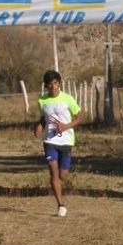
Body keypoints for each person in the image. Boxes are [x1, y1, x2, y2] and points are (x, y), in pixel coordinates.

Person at [33, 70, 84, 217]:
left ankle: (60, 187)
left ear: (59, 83)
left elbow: (80, 116)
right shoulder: (42, 101)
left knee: (63, 176)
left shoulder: (67, 99)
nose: (53, 86)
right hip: (50, 141)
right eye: (49, 84)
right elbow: (43, 119)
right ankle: (60, 204)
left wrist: (66, 126)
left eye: (55, 83)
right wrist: (39, 126)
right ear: (46, 86)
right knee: (53, 170)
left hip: (66, 141)